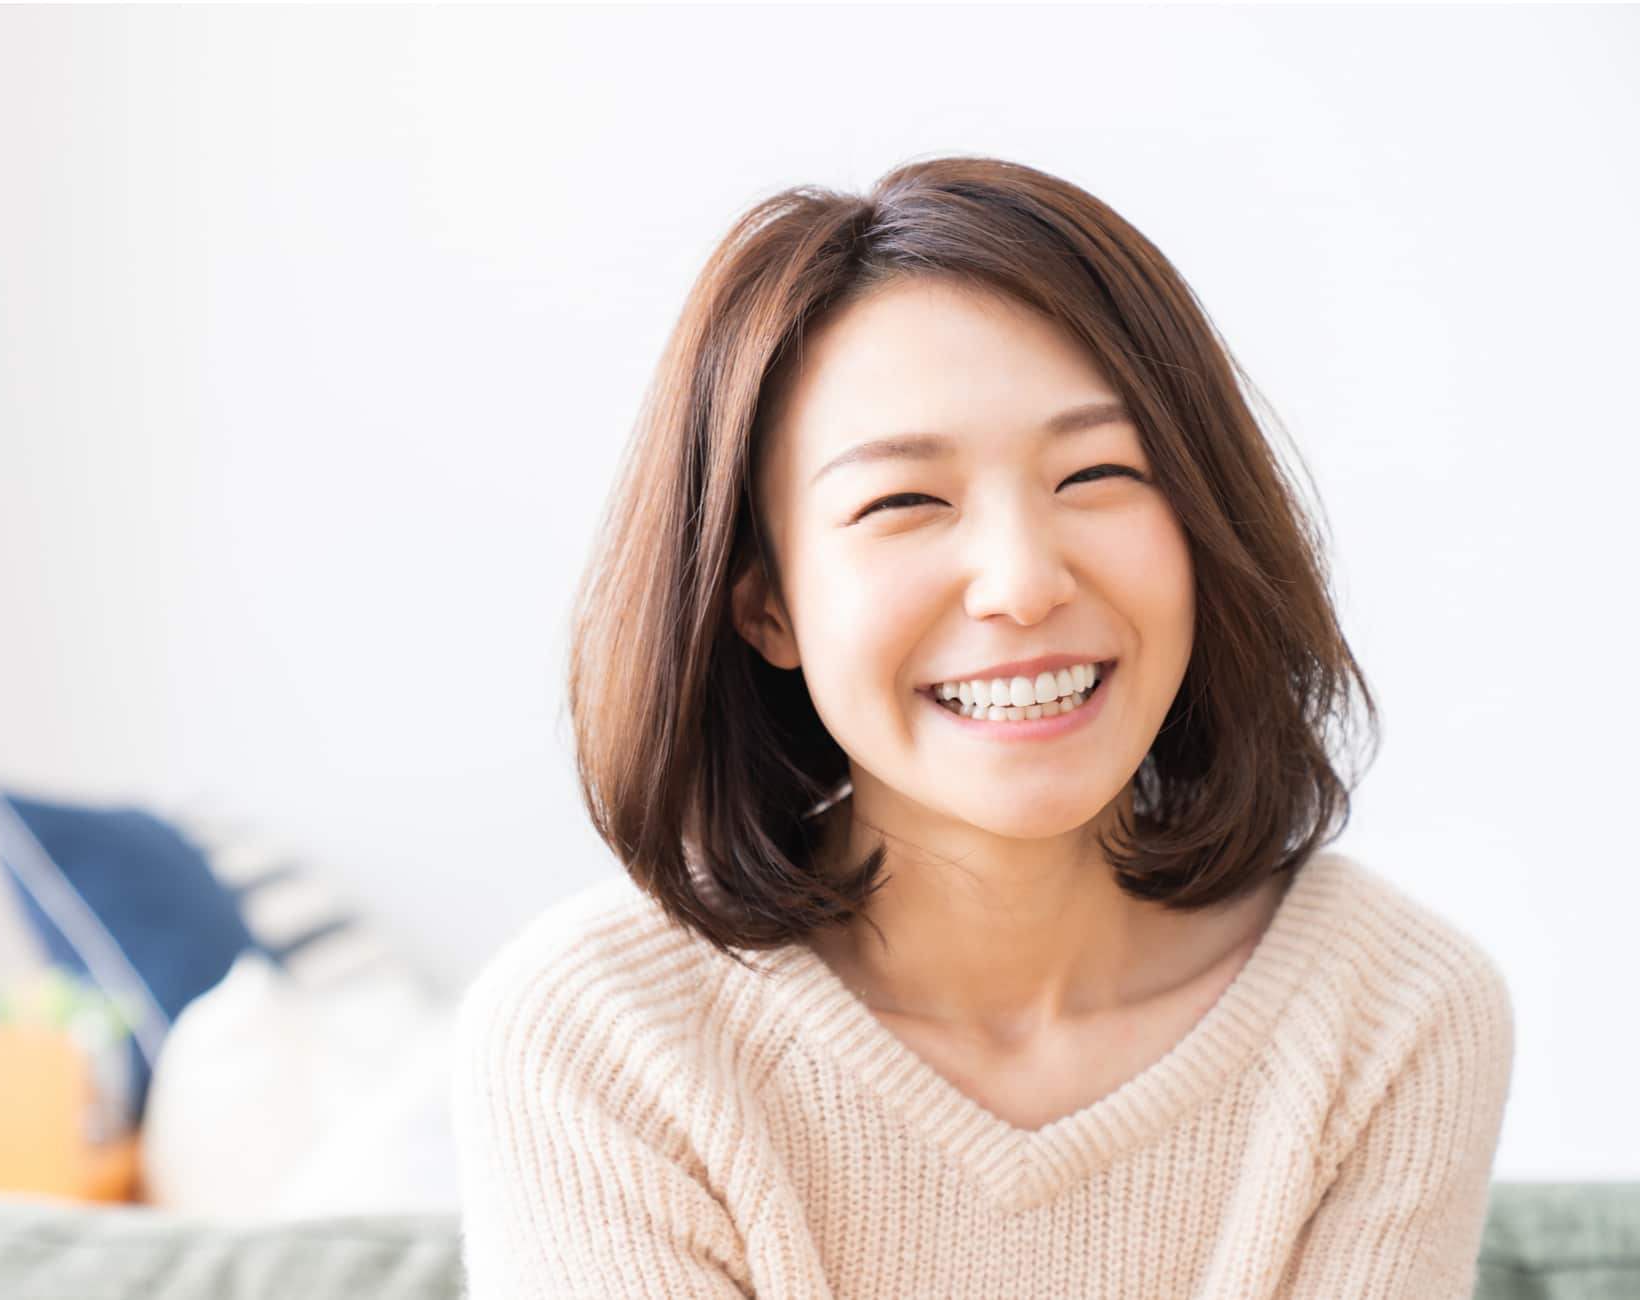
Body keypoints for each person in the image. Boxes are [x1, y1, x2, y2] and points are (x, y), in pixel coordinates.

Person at [450, 155, 1514, 1298]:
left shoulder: (1387, 1009)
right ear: (764, 605)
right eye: (903, 500)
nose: (1021, 583)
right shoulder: (602, 1036)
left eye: (1096, 473)